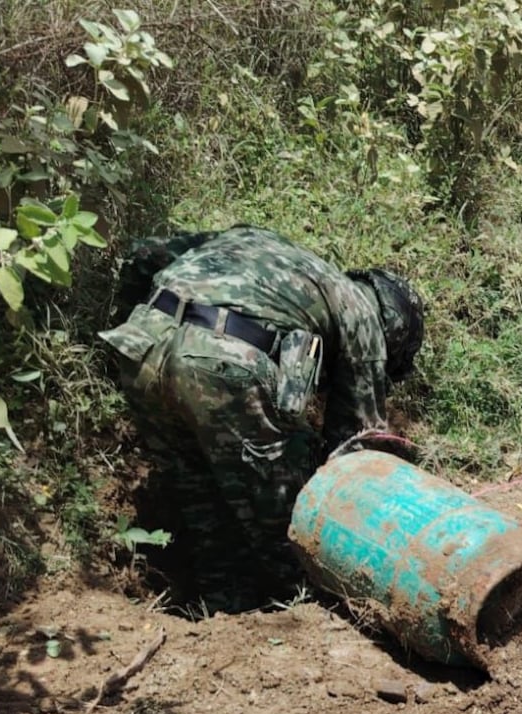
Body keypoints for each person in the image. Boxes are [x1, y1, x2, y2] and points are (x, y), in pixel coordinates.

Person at [99, 225, 426, 611]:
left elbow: (144, 250)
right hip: (219, 363)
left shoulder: (263, 245)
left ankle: (220, 606)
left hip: (141, 342)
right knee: (280, 513)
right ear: (394, 330)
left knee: (197, 493)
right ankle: (298, 607)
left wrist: (125, 315)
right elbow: (355, 450)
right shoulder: (361, 315)